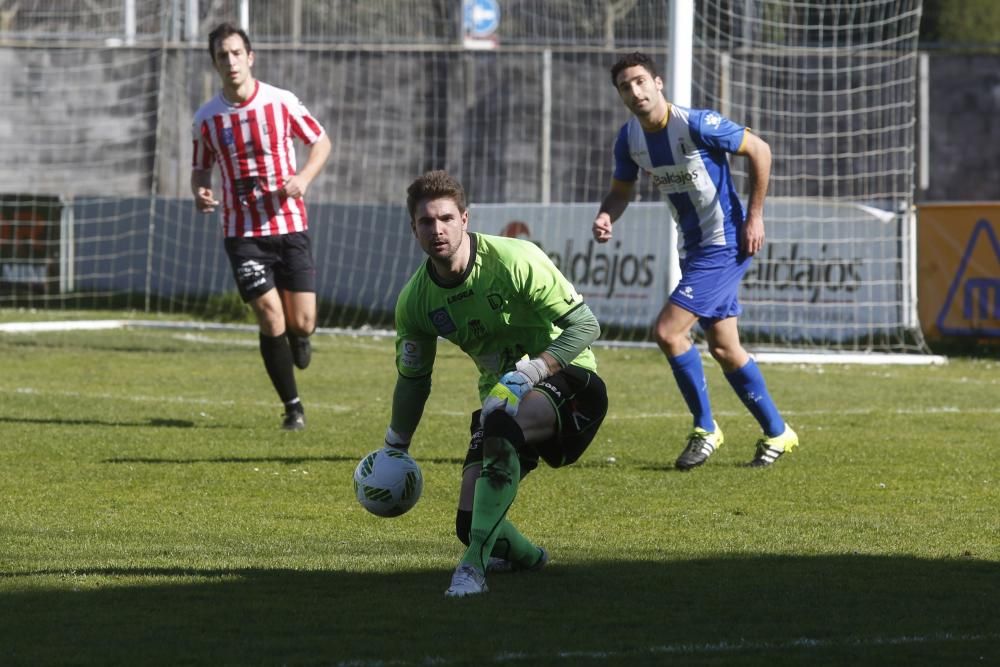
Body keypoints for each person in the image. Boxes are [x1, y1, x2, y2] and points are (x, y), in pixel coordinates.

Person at [384, 170, 608, 597]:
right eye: (426, 222)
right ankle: (529, 558)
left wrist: (532, 371)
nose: (438, 230)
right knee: (470, 524)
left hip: (571, 381)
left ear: (465, 219)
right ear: (413, 229)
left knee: (504, 424)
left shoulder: (514, 259)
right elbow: (414, 380)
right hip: (501, 403)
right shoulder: (416, 302)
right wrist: (395, 444)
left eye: (446, 218)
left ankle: (471, 572)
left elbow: (585, 325)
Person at [592, 51, 798, 469]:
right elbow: (620, 191)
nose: (634, 91)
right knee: (725, 348)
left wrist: (755, 217)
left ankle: (706, 428)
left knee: (668, 332)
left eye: (640, 82)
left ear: (658, 83)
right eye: (625, 87)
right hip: (693, 249)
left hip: (725, 244)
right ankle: (778, 432)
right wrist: (605, 214)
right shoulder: (628, 139)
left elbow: (760, 150)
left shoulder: (696, 123)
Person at [191, 23, 331, 431]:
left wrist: (303, 178)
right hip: (242, 234)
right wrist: (200, 191)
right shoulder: (207, 119)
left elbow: (321, 142)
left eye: (237, 53)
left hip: (290, 225)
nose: (231, 61)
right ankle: (293, 408)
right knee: (270, 318)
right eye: (223, 56)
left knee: (301, 322)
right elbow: (200, 170)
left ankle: (300, 336)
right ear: (215, 63)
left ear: (250, 57)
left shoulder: (280, 102)